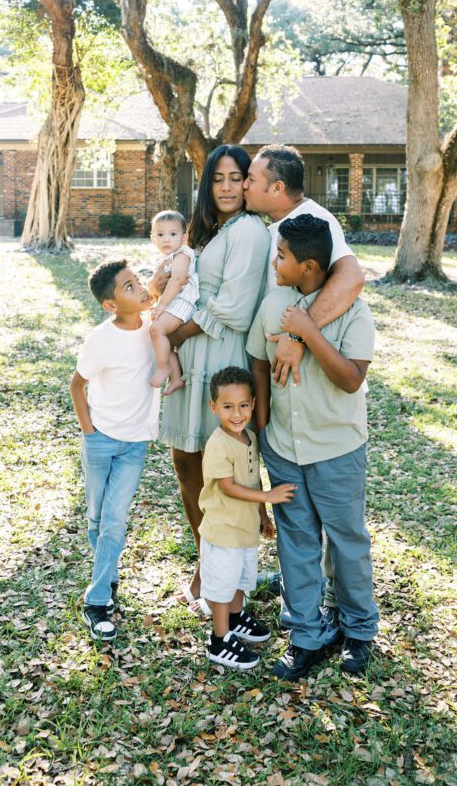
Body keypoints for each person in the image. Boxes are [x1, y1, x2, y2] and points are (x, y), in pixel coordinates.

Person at [247, 213, 379, 681]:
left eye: (280, 254)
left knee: (346, 542)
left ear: (307, 266)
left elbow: (350, 379)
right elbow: (259, 366)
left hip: (337, 449)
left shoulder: (356, 311)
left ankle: (359, 629)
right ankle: (307, 633)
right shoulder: (272, 305)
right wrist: (263, 432)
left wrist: (307, 332)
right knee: (296, 543)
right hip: (284, 447)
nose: (274, 260)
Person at [158, 144, 271, 609]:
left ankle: (222, 575)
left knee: (216, 465)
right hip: (193, 352)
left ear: (248, 183)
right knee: (185, 461)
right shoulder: (209, 233)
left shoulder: (249, 231)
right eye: (217, 178)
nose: (226, 186)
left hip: (219, 354)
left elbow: (234, 308)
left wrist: (176, 336)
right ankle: (207, 559)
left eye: (235, 177)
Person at [69, 259, 160, 643]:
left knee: (113, 520)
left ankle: (97, 601)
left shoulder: (155, 327)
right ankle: (108, 574)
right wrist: (89, 432)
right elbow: (77, 385)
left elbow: (167, 285)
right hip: (101, 439)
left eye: (137, 281)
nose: (138, 288)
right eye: (127, 287)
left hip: (134, 444)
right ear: (110, 304)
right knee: (96, 518)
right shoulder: (100, 339)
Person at [243, 144, 364, 387]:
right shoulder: (276, 225)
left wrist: (297, 335)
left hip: (308, 376)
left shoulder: (313, 220)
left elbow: (352, 278)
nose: (244, 185)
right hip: (274, 368)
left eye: (251, 179)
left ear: (277, 188)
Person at [199, 367, 296, 669]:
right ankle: (219, 639)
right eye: (227, 407)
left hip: (244, 530)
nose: (237, 413)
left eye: (243, 405)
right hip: (223, 530)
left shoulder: (249, 437)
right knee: (222, 586)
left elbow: (252, 480)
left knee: (240, 579)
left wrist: (262, 514)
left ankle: (236, 617)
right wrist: (269, 497)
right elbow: (228, 487)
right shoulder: (218, 443)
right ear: (213, 407)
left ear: (253, 404)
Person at [148, 209, 199, 394]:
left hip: (183, 302)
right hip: (173, 301)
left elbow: (177, 279)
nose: (166, 239)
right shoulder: (165, 258)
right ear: (153, 238)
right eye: (160, 234)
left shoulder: (182, 254)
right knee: (162, 339)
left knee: (156, 330)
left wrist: (162, 305)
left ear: (184, 237)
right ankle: (176, 377)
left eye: (173, 234)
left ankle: (163, 368)